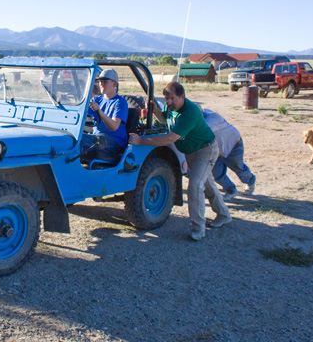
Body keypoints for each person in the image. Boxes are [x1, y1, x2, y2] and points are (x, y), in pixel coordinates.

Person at [128, 82, 231, 241]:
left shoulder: (190, 112)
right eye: (166, 98)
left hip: (205, 150)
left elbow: (170, 137)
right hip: (190, 152)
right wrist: (154, 108)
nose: (169, 102)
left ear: (182, 96)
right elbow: (164, 120)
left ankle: (198, 229)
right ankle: (224, 214)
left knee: (195, 186)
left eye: (172, 98)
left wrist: (140, 141)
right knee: (208, 184)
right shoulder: (172, 109)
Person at [201, 107, 256, 201]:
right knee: (216, 174)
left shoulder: (211, 119)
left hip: (233, 145)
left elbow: (201, 133)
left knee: (239, 168)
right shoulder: (202, 117)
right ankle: (231, 190)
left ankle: (250, 180)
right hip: (217, 151)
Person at [80, 69, 128, 156]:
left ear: (114, 84)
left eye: (105, 82)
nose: (101, 85)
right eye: (100, 81)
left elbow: (114, 126)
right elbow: (82, 111)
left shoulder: (120, 102)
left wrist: (99, 111)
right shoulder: (97, 99)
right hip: (98, 138)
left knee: (80, 140)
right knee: (72, 138)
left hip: (114, 141)